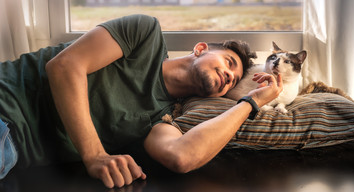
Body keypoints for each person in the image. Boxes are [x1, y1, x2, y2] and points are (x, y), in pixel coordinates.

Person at [0, 14, 283, 188]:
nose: (228, 76)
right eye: (229, 62)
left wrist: (249, 103)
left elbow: (181, 156)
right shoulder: (145, 34)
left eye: (233, 80)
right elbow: (64, 66)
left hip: (10, 151)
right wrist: (96, 156)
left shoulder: (162, 117)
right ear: (200, 49)